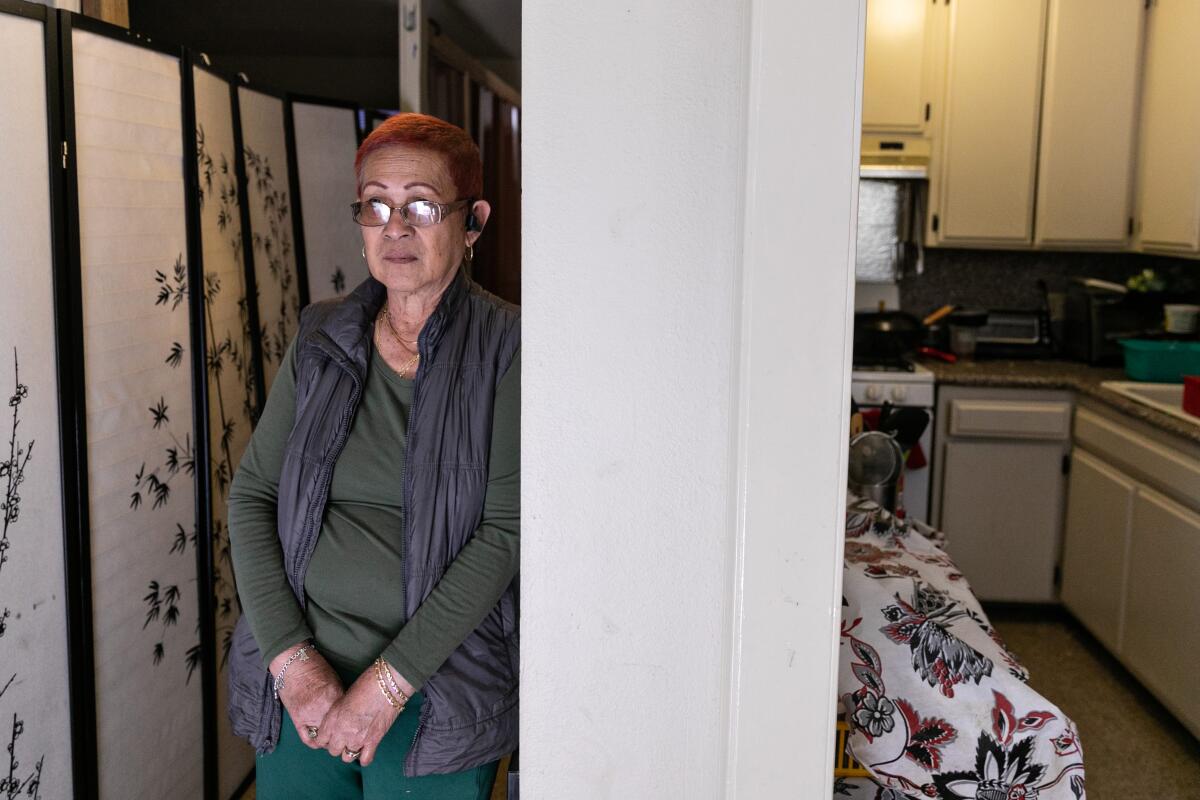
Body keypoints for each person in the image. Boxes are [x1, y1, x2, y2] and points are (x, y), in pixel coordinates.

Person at [226, 112, 520, 799]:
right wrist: (293, 666)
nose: (396, 227)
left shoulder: (508, 346)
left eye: (421, 204)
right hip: (303, 683)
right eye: (376, 205)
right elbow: (252, 496)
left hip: (437, 688)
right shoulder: (322, 336)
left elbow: (505, 533)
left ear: (471, 222)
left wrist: (384, 688)